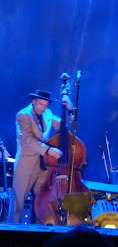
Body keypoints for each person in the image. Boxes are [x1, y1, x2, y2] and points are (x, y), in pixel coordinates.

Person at [9, 90, 73, 223]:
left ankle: (37, 235)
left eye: (45, 105)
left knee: (41, 203)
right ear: (33, 101)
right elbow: (28, 140)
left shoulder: (47, 113)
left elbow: (63, 126)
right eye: (40, 104)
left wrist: (69, 109)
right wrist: (48, 150)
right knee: (17, 203)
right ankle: (10, 237)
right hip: (25, 165)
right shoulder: (23, 115)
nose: (42, 108)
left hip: (44, 167)